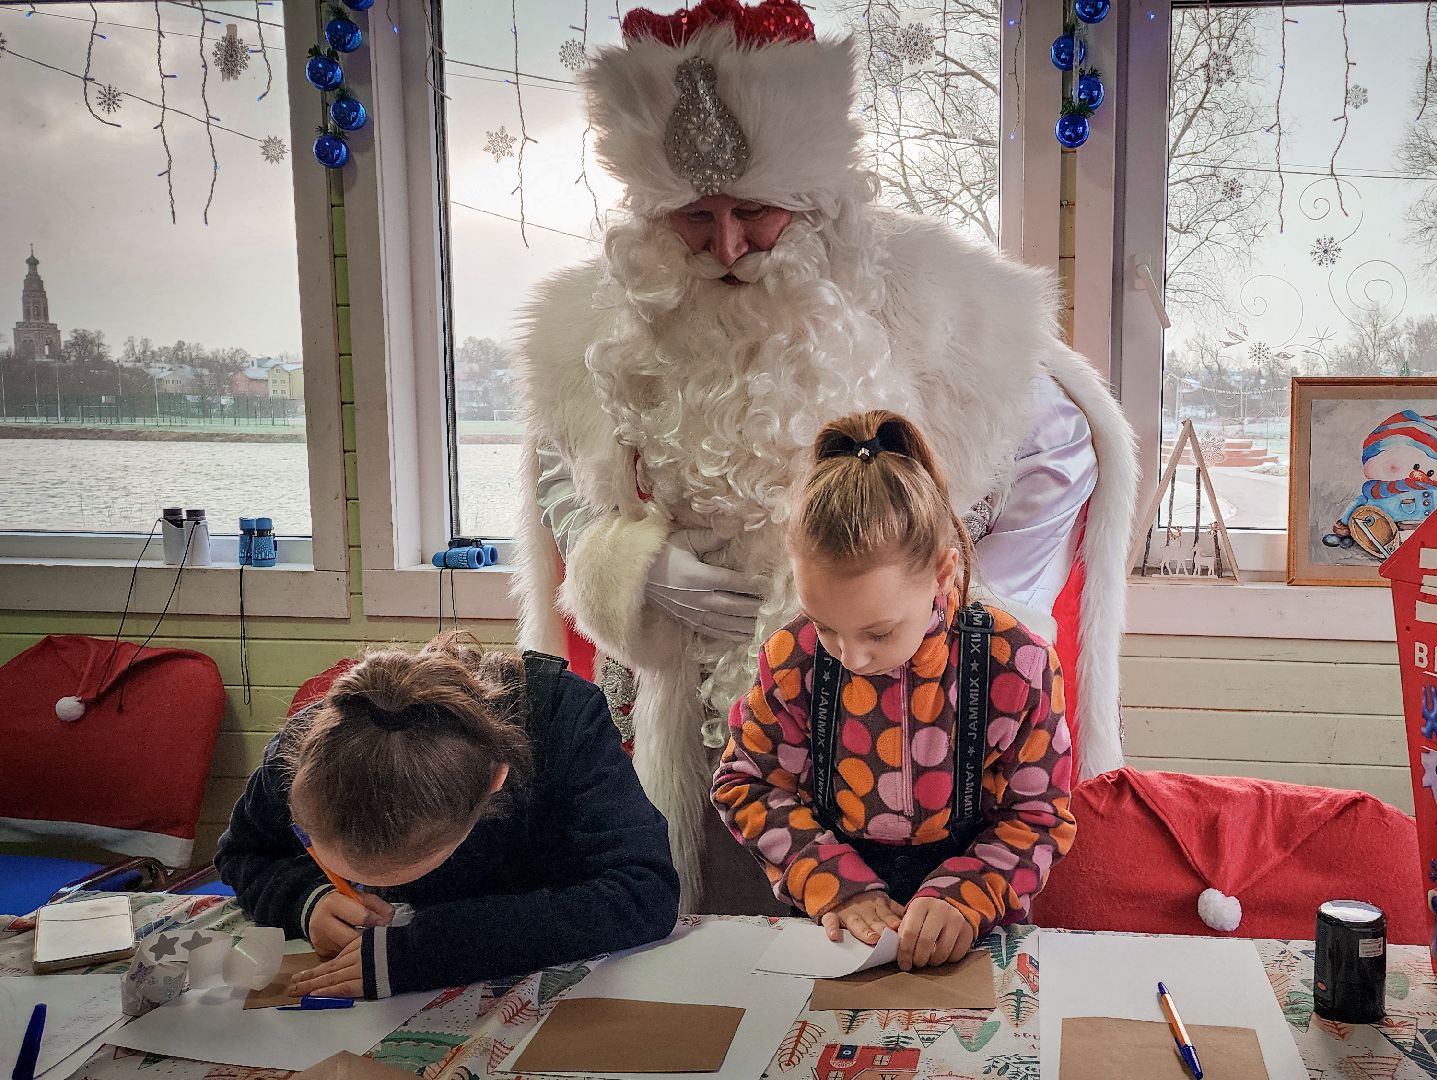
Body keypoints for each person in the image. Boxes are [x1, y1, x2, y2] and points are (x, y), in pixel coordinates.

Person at [510, 0, 1134, 912]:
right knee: (724, 973)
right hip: (711, 743)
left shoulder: (949, 307)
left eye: (755, 212)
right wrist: (633, 571)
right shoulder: (590, 332)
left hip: (918, 734)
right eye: (694, 217)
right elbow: (559, 466)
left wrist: (955, 614)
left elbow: (1065, 448)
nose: (727, 247)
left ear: (813, 200)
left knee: (909, 968)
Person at [713, 412, 1075, 970]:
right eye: (825, 623)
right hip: (838, 933)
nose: (851, 657)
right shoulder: (795, 659)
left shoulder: (1017, 667)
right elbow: (749, 784)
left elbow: (1039, 816)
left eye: (878, 632)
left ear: (942, 574)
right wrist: (837, 882)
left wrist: (968, 893)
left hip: (972, 935)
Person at [215, 632, 680, 999]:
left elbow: (645, 890)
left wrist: (430, 950)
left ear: (496, 782)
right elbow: (245, 852)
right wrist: (306, 901)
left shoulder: (561, 721)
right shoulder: (311, 747)